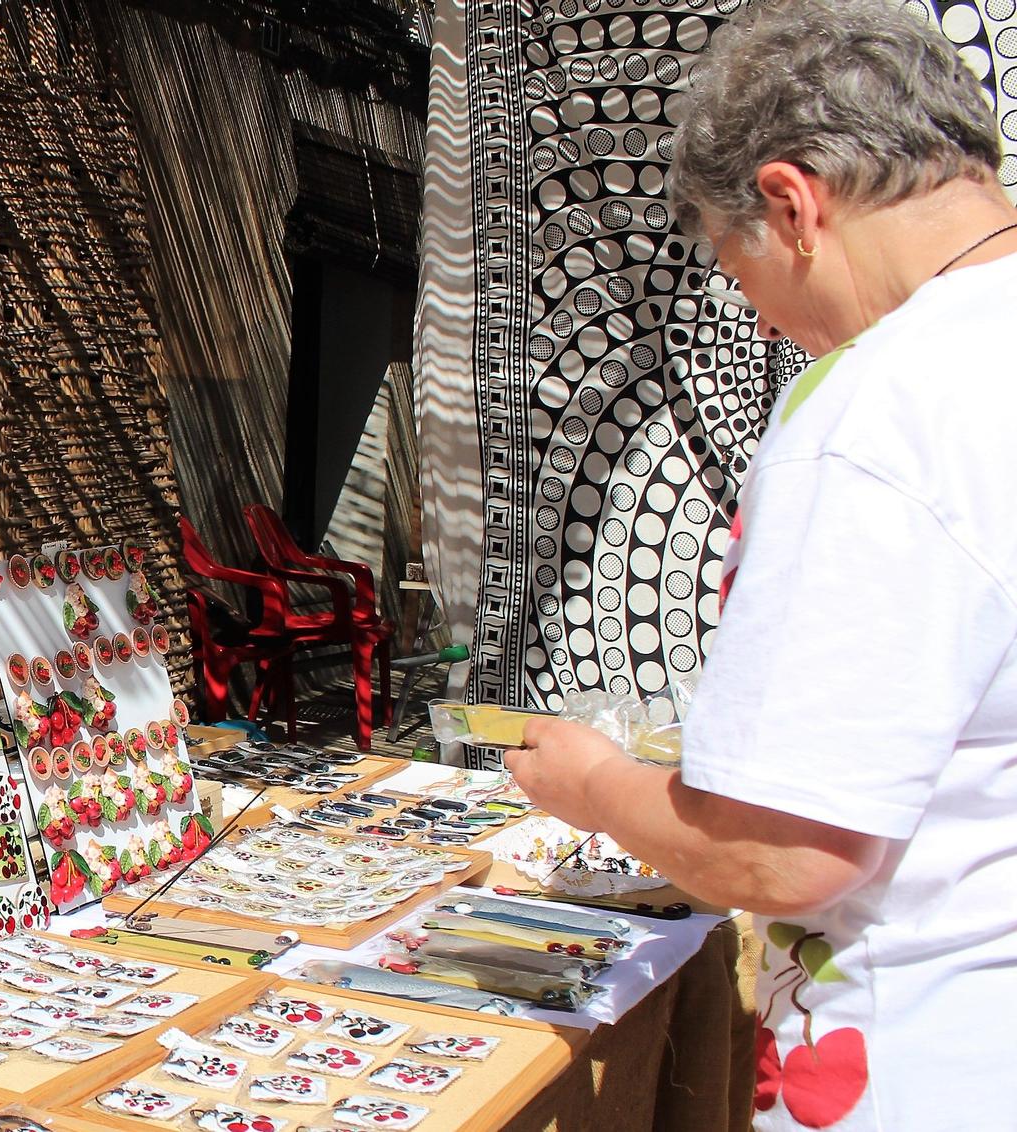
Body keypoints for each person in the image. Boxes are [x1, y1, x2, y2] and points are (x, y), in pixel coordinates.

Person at [506, 4, 1017, 1130]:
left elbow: (781, 850)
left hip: (932, 1060)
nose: (765, 320)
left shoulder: (881, 408)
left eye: (736, 270)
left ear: (791, 207)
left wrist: (590, 784)